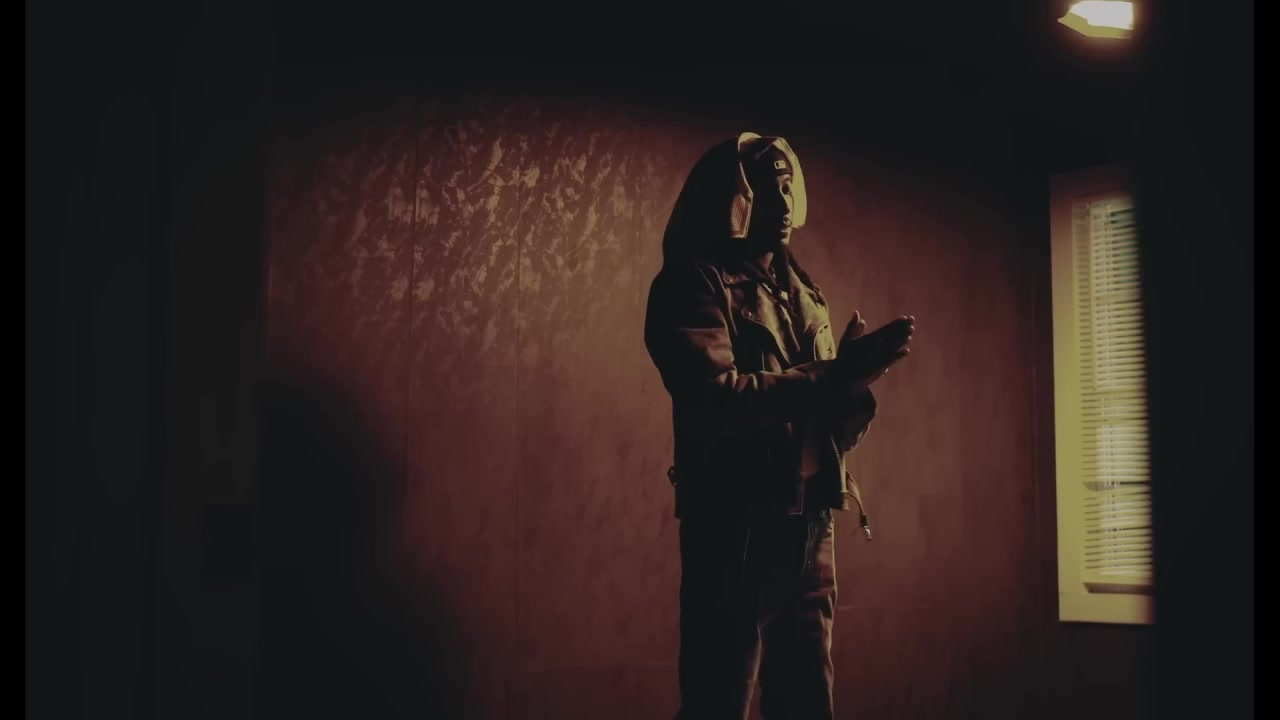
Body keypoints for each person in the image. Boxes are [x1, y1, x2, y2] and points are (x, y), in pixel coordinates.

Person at [644, 132, 915, 719]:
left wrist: (854, 385)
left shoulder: (805, 294)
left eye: (789, 187)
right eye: (768, 190)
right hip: (734, 532)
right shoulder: (694, 283)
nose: (785, 203)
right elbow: (713, 398)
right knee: (718, 702)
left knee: (807, 703)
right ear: (734, 200)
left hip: (812, 526)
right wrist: (831, 376)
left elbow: (829, 425)